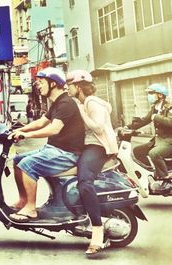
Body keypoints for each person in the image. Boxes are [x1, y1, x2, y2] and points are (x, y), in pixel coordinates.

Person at [9, 67, 85, 222]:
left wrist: (26, 135)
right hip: (54, 150)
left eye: (41, 82)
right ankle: (23, 200)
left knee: (27, 165)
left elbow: (54, 129)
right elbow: (41, 122)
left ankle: (30, 209)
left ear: (53, 84)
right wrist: (18, 129)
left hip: (67, 154)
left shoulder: (66, 103)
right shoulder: (57, 103)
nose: (38, 86)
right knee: (17, 161)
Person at [67, 70, 118, 256]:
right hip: (87, 146)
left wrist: (80, 111)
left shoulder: (91, 102)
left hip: (97, 148)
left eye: (70, 85)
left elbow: (97, 126)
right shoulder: (84, 102)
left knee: (85, 183)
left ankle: (98, 233)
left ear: (78, 87)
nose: (68, 88)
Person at [126, 83, 172, 192]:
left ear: (160, 95)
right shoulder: (154, 108)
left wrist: (157, 117)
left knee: (154, 153)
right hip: (157, 139)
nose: (149, 96)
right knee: (137, 151)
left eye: (151, 93)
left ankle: (165, 178)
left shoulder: (169, 107)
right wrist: (127, 126)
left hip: (168, 140)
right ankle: (153, 172)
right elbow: (145, 120)